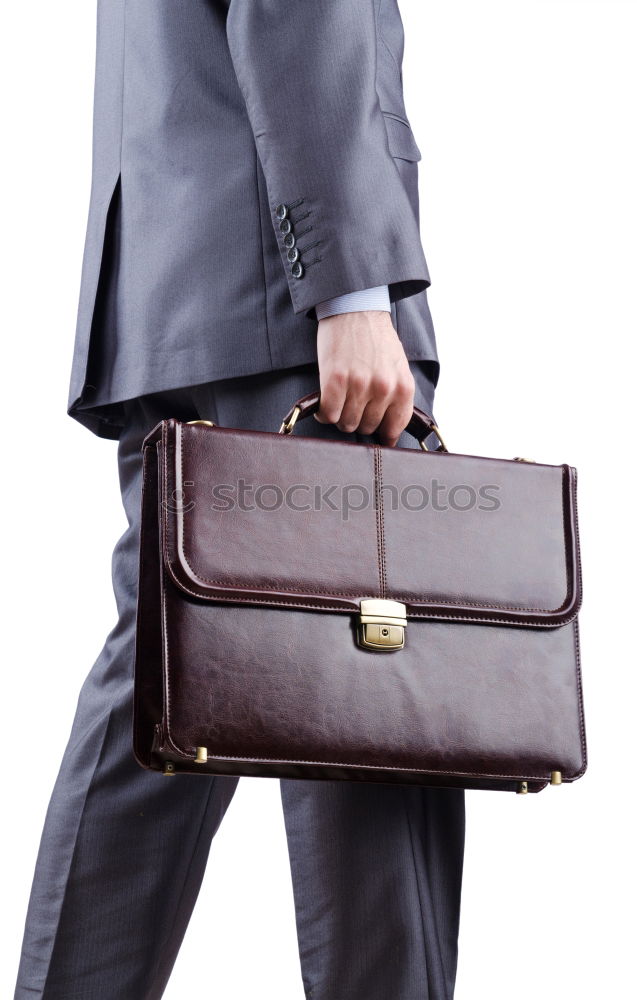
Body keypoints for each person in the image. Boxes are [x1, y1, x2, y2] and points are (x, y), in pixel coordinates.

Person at [13, 2, 465, 998]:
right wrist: (350, 293)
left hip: (176, 287)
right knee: (372, 707)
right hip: (289, 299)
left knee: (164, 702)